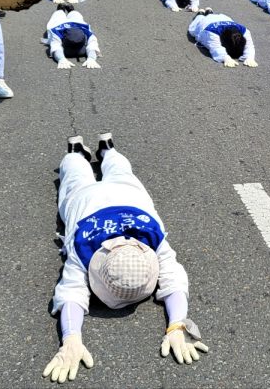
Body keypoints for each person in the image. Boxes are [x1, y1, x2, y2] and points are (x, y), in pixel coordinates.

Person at [44, 133, 207, 384]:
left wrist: (72, 337)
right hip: (86, 198)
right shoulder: (87, 247)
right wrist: (70, 337)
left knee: (109, 172)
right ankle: (92, 151)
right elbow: (174, 278)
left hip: (129, 198)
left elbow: (72, 292)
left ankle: (90, 150)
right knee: (80, 177)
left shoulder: (150, 239)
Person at [187, 9, 257, 67]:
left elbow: (249, 45)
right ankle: (200, 13)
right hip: (206, 22)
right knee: (196, 23)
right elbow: (216, 48)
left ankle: (209, 12)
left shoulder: (245, 31)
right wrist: (225, 57)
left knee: (209, 16)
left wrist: (250, 57)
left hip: (223, 18)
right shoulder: (212, 32)